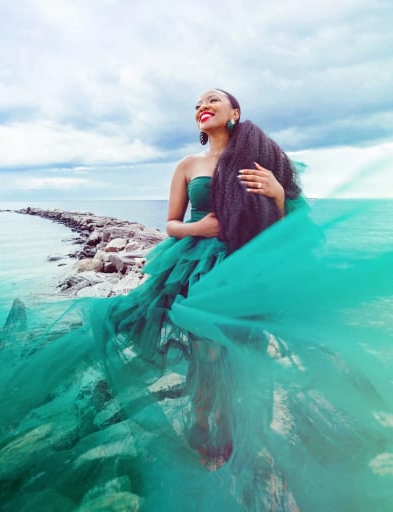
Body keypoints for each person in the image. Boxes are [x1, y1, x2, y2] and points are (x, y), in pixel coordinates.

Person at [103, 88, 306, 470]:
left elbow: (276, 232)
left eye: (212, 100)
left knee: (242, 347)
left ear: (235, 111)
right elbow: (170, 226)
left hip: (245, 265)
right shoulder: (187, 165)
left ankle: (235, 423)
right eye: (197, 104)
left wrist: (278, 197)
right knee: (205, 349)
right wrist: (200, 227)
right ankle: (200, 422)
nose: (202, 106)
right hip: (196, 265)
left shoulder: (259, 160)